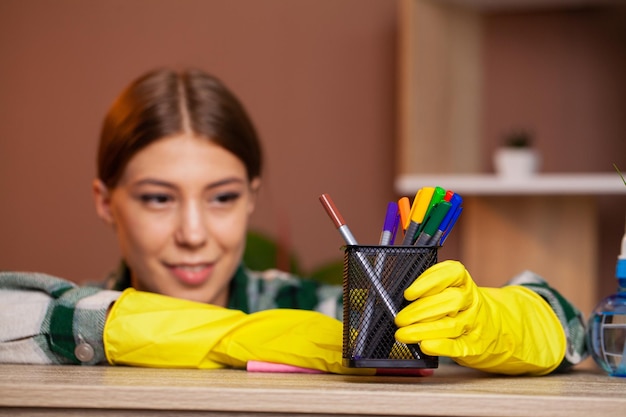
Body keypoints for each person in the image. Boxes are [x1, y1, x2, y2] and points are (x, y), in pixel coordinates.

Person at [0, 68, 587, 375]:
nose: (194, 233)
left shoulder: (317, 314)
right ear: (106, 202)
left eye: (222, 198)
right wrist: (225, 337)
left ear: (252, 197)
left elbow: (570, 324)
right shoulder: (56, 328)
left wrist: (495, 321)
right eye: (158, 199)